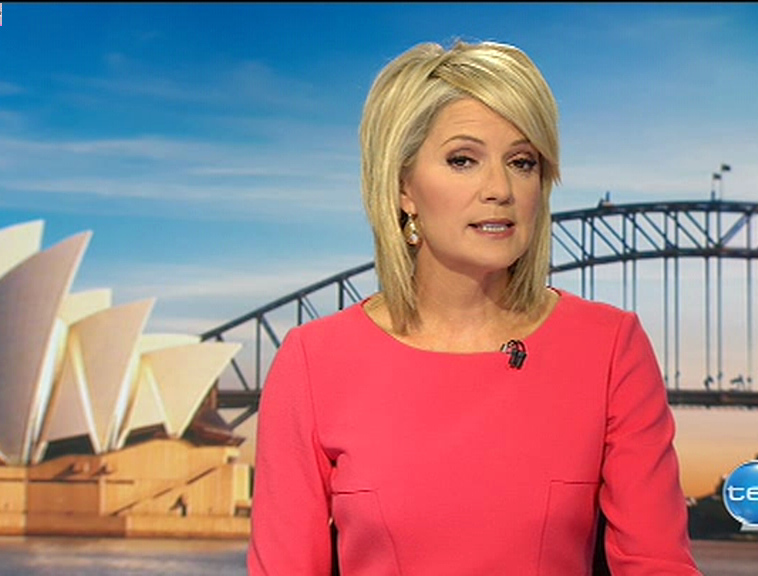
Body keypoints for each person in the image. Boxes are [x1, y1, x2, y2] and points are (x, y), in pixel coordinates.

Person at [247, 40, 701, 575]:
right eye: (463, 160)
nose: (500, 189)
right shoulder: (315, 361)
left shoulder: (608, 347)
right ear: (403, 187)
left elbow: (655, 563)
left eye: (522, 162)